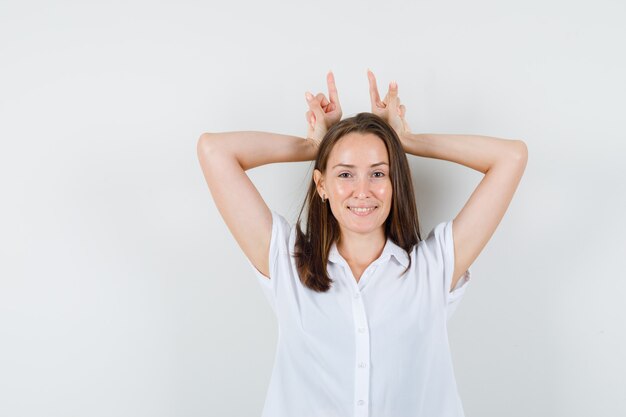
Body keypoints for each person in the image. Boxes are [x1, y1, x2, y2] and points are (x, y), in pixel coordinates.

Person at [196, 69, 528, 417]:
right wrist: (311, 146)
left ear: (394, 181)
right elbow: (213, 150)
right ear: (322, 186)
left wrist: (406, 140)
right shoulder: (287, 264)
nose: (362, 191)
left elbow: (512, 157)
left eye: (378, 173)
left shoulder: (434, 268)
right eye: (344, 174)